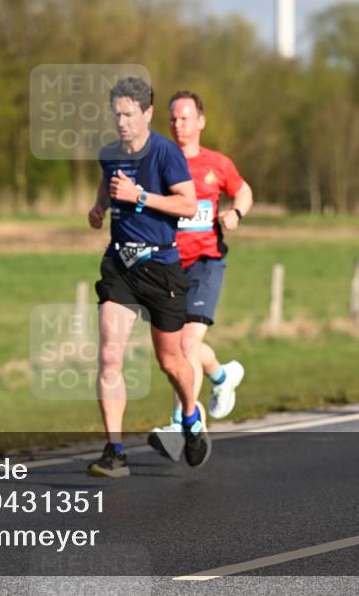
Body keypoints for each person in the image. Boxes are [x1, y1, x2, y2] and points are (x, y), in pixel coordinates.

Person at [86, 76, 208, 478]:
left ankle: (190, 417)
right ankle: (115, 451)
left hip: (161, 267)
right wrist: (99, 207)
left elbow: (188, 204)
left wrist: (139, 196)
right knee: (108, 355)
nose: (121, 122)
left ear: (147, 113)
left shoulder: (166, 153)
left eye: (129, 114)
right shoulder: (109, 153)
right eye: (116, 113)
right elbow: (108, 184)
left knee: (170, 360)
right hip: (120, 265)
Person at [148, 90, 253, 461]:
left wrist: (236, 213)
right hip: (168, 264)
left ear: (201, 121)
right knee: (178, 347)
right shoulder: (159, 162)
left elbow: (243, 191)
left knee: (187, 345)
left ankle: (182, 423)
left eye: (186, 117)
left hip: (206, 262)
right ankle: (222, 376)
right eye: (173, 118)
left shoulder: (217, 163)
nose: (178, 124)